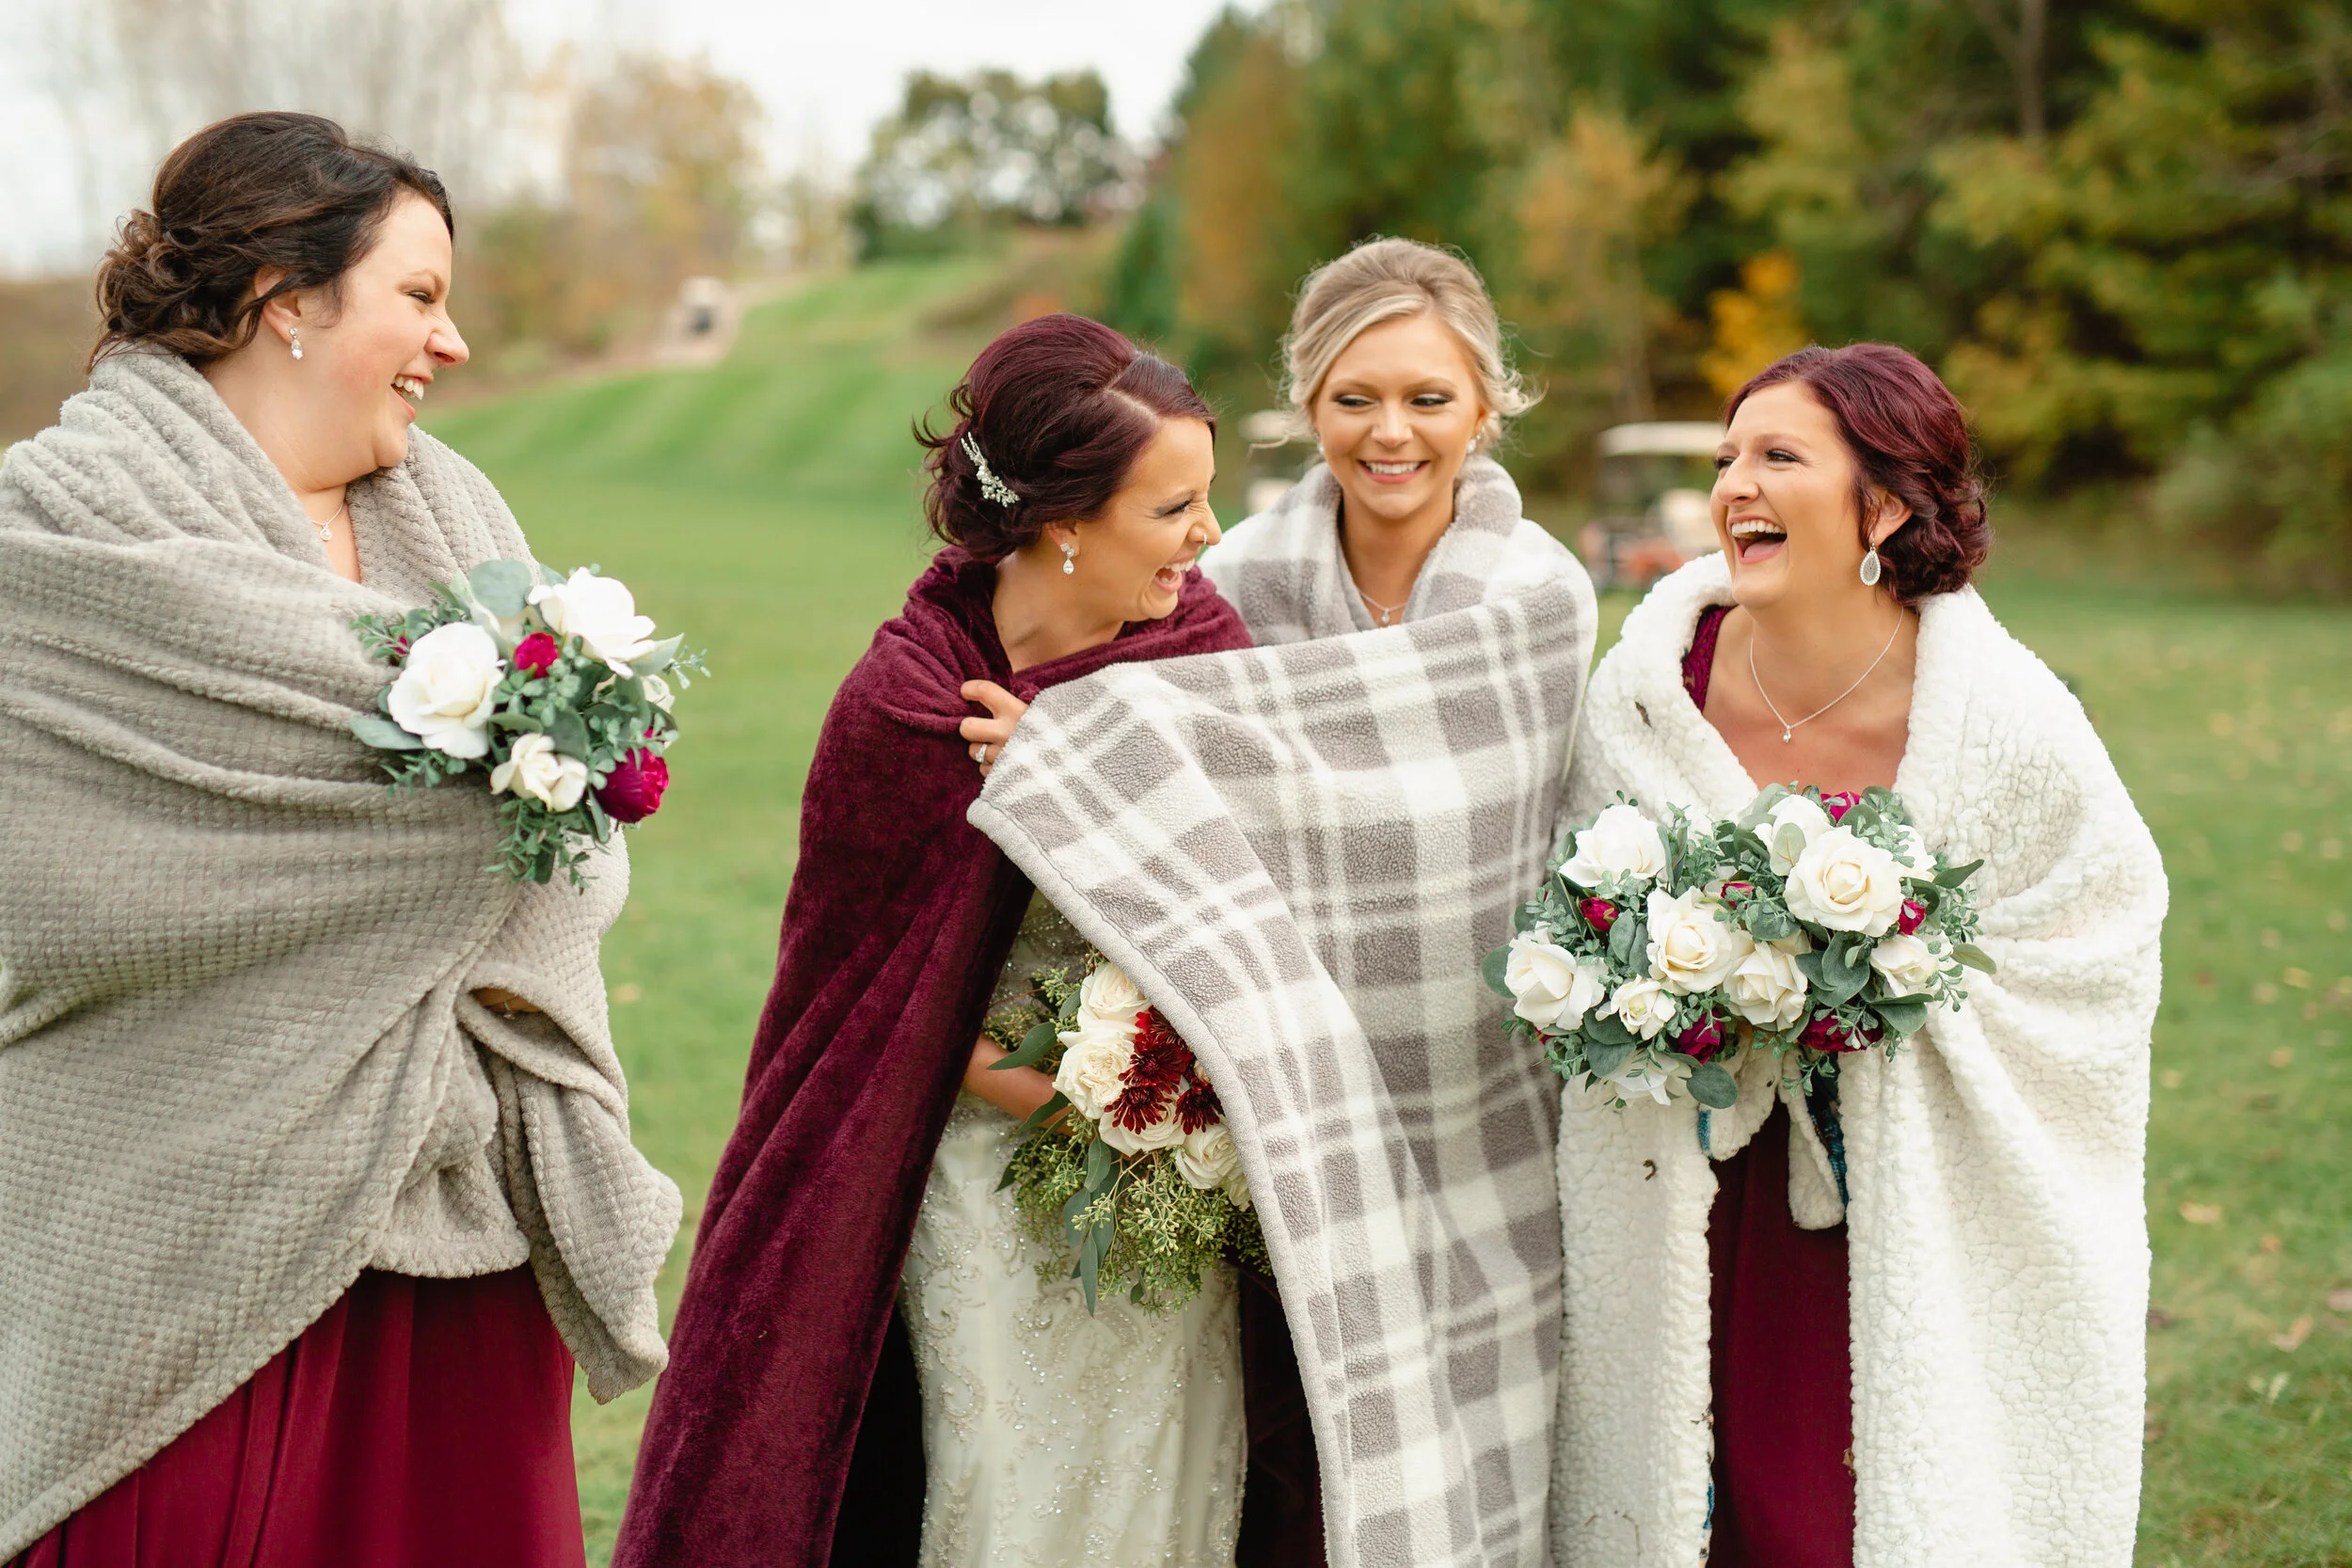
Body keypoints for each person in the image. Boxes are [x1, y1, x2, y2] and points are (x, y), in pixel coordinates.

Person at [0, 113, 679, 1568]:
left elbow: (571, 863)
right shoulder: (57, 535)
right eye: (419, 295)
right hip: (178, 1213)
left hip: (458, 1222)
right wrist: (446, 831)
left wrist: (483, 815)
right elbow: (61, 888)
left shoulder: (456, 515)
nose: (455, 342)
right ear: (285, 298)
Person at [614, 314, 1251, 1568]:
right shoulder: (903, 708)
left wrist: (1073, 782)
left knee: (1167, 1494)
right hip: (977, 1173)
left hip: (1171, 1185)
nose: (1211, 536)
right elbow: (865, 1013)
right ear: (1064, 523)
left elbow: (1264, 911)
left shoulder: (1208, 663)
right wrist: (1085, 1102)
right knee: (1003, 1504)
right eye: (1176, 507)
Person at [1550, 344, 2166, 1566]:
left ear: (1881, 506)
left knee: (1832, 1508)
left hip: (1900, 1182)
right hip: (1694, 1168)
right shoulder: (1649, 688)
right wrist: (1664, 976)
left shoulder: (2003, 716)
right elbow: (1583, 888)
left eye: (1780, 457)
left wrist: (1895, 983)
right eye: (1728, 457)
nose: (1736, 485)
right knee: (1683, 1491)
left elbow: (2099, 930)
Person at [1200, 235, 1598, 1564]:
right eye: (1355, 397)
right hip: (1286, 1084)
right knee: (1292, 1452)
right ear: (1308, 402)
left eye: (1429, 397)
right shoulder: (1232, 583)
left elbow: (1561, 827)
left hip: (1488, 1087)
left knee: (1483, 1423)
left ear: (1485, 405)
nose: (1392, 432)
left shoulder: (1540, 596)